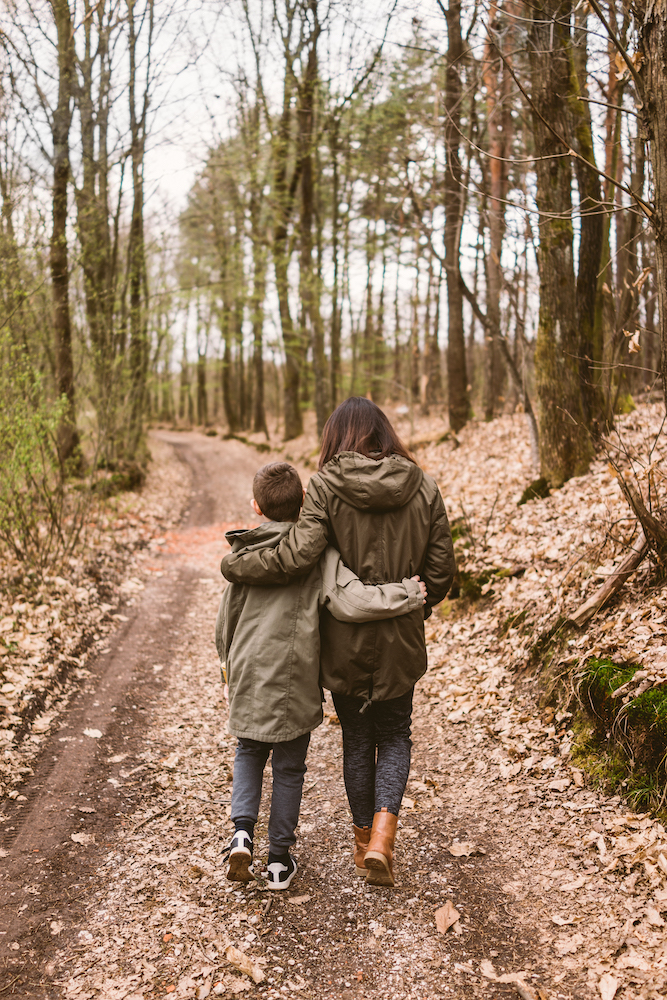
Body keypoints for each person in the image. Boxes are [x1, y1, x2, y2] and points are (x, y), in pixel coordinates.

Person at [222, 398, 455, 888]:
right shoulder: (425, 487)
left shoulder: (325, 488)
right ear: (384, 434)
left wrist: (236, 563)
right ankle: (382, 841)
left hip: (344, 642)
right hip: (401, 639)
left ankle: (361, 840)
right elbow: (440, 572)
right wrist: (414, 609)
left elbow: (297, 556)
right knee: (395, 734)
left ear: (337, 438)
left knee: (357, 737)